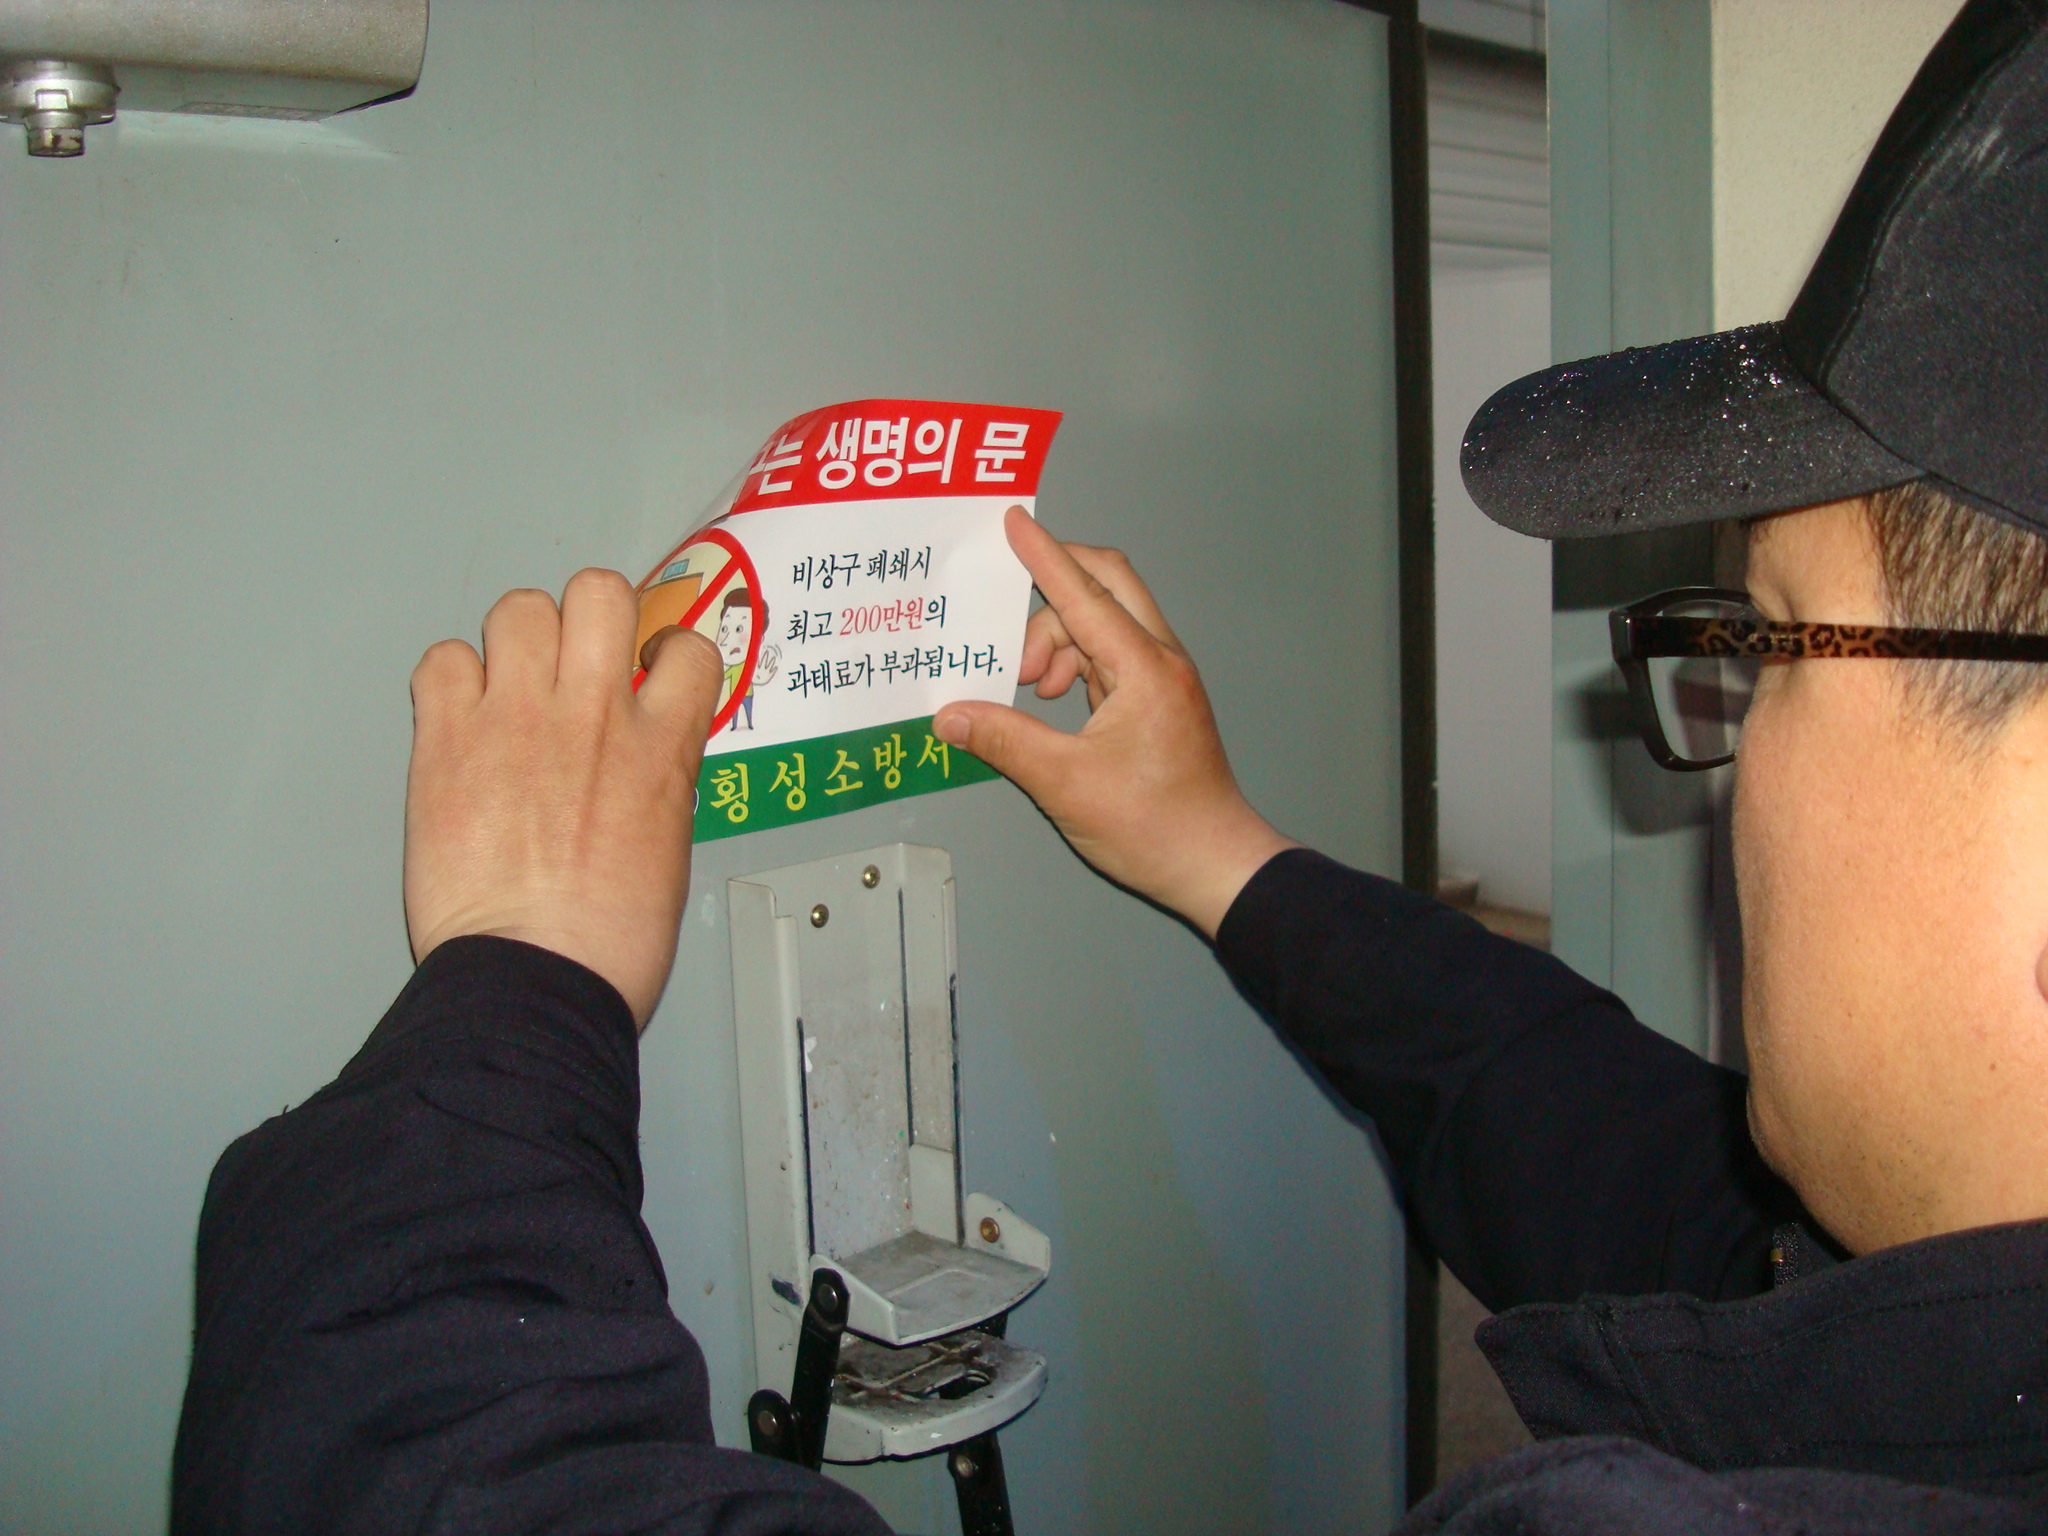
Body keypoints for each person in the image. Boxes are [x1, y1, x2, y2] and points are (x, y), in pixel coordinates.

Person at [172, 1, 2048, 1531]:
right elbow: (1617, 1164)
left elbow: (427, 1478)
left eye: (1770, 644)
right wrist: (1220, 851)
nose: (1728, 760)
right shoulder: (1921, 1329)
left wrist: (517, 983)